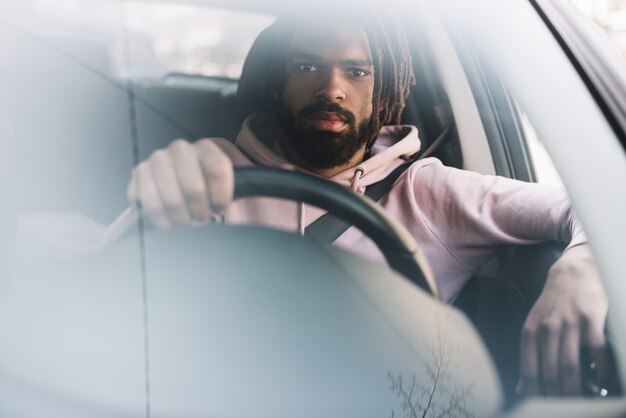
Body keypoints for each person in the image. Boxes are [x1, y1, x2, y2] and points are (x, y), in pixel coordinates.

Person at [126, 9, 608, 398]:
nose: (331, 89)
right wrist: (161, 196)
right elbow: (121, 290)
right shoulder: (218, 176)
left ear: (381, 91)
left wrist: (580, 269)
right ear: (279, 81)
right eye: (308, 66)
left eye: (356, 71)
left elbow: (593, 208)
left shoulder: (428, 193)